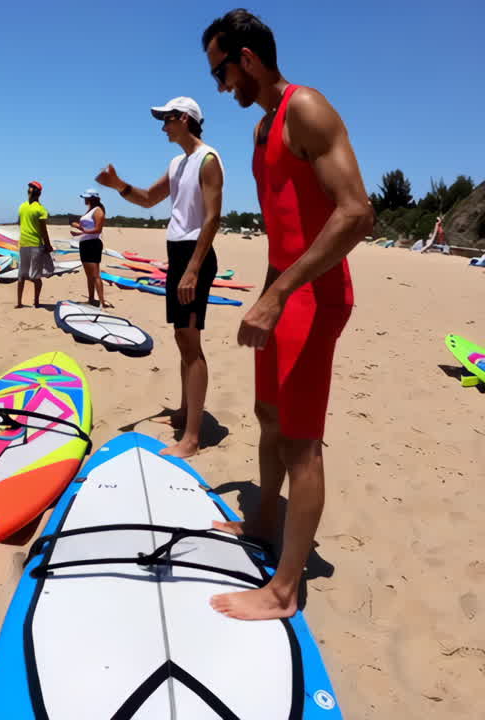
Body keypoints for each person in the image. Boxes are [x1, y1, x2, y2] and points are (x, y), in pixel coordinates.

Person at [202, 8, 372, 620]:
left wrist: (279, 295)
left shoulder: (306, 109)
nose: (221, 87)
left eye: (221, 72)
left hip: (316, 295)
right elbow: (284, 221)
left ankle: (283, 589)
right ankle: (264, 521)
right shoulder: (261, 129)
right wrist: (266, 294)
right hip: (282, 290)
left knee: (302, 444)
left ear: (246, 59)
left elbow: (355, 213)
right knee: (266, 413)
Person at [96, 96, 224, 459]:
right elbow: (150, 199)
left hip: (194, 256)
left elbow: (212, 218)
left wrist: (194, 269)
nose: (162, 126)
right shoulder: (178, 162)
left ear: (185, 119)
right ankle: (185, 412)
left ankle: (193, 439)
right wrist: (118, 184)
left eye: (166, 119)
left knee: (191, 343)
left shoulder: (208, 159)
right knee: (182, 338)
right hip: (177, 254)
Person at [15, 181, 53, 308]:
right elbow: (42, 230)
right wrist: (48, 245)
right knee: (24, 275)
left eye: (31, 189)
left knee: (31, 275)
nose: (29, 191)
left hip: (32, 244)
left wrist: (47, 244)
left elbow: (43, 230)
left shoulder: (38, 209)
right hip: (29, 244)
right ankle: (22, 302)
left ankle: (32, 302)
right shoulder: (27, 207)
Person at [70, 189, 109, 308]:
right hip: (85, 243)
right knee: (89, 275)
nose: (84, 199)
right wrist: (78, 233)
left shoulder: (98, 211)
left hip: (93, 244)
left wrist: (82, 230)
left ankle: (102, 301)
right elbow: (88, 229)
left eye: (86, 197)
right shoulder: (90, 210)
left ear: (92, 198)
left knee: (95, 274)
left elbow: (98, 230)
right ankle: (91, 298)